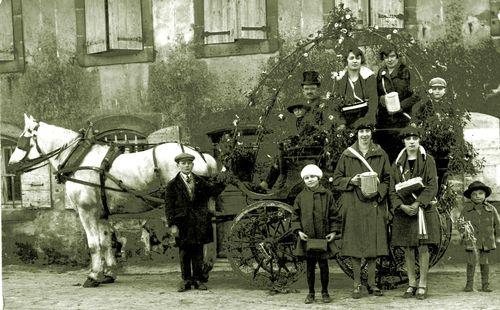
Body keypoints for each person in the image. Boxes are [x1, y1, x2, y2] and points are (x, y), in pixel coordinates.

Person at [332, 121, 390, 299]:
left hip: (373, 204)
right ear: (356, 134)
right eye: (361, 131)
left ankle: (372, 284)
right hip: (353, 203)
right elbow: (336, 180)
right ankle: (357, 284)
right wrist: (351, 181)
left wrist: (378, 193)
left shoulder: (380, 154)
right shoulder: (347, 155)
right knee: (355, 246)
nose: (364, 134)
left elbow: (388, 179)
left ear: (371, 134)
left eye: (367, 131)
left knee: (374, 246)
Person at [389, 126, 440, 300]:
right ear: (404, 141)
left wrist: (419, 202)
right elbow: (392, 190)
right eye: (408, 139)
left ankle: (423, 284)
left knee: (423, 246)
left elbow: (433, 185)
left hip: (422, 210)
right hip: (404, 210)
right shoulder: (396, 163)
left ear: (419, 140)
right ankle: (411, 283)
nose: (412, 141)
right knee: (408, 248)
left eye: (415, 138)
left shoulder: (428, 160)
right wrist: (401, 206)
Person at [164, 153, 225, 292]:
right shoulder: (172, 185)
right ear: (178, 165)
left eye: (189, 163)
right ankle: (186, 280)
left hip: (198, 223)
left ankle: (197, 280)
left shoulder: (200, 181)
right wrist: (172, 225)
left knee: (198, 251)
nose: (186, 166)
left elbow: (213, 191)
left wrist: (224, 176)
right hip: (182, 224)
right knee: (184, 252)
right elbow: (168, 207)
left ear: (192, 165)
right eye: (183, 163)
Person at [292, 164, 341, 304]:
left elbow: (334, 215)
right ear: (304, 180)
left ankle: (325, 292)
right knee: (309, 267)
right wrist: (299, 231)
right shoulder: (301, 197)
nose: (310, 180)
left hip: (323, 237)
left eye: (312, 176)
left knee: (324, 266)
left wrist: (333, 231)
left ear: (318, 178)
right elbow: (295, 216)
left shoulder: (327, 195)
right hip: (307, 238)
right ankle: (311, 293)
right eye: (306, 178)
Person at [375, 46, 420, 162]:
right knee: (385, 152)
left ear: (397, 57)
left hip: (402, 119)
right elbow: (376, 93)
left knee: (401, 152)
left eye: (392, 56)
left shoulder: (406, 71)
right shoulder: (381, 72)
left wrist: (401, 106)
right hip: (385, 120)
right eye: (386, 57)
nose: (389, 60)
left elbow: (417, 94)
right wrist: (382, 99)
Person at [460, 181, 500, 292]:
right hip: (471, 240)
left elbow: (497, 223)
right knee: (471, 262)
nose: (478, 196)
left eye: (480, 193)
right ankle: (469, 285)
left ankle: (485, 285)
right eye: (474, 194)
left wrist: (497, 237)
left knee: (484, 262)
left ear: (485, 195)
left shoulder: (491, 209)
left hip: (485, 240)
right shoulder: (466, 209)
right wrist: (463, 231)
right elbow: (460, 223)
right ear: (470, 197)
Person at [330, 46, 378, 130]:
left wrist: (368, 118)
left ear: (361, 60)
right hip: (346, 118)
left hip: (364, 115)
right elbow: (335, 102)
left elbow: (373, 99)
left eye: (358, 58)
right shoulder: (340, 78)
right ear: (346, 60)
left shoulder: (368, 76)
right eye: (351, 58)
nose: (355, 61)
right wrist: (341, 123)